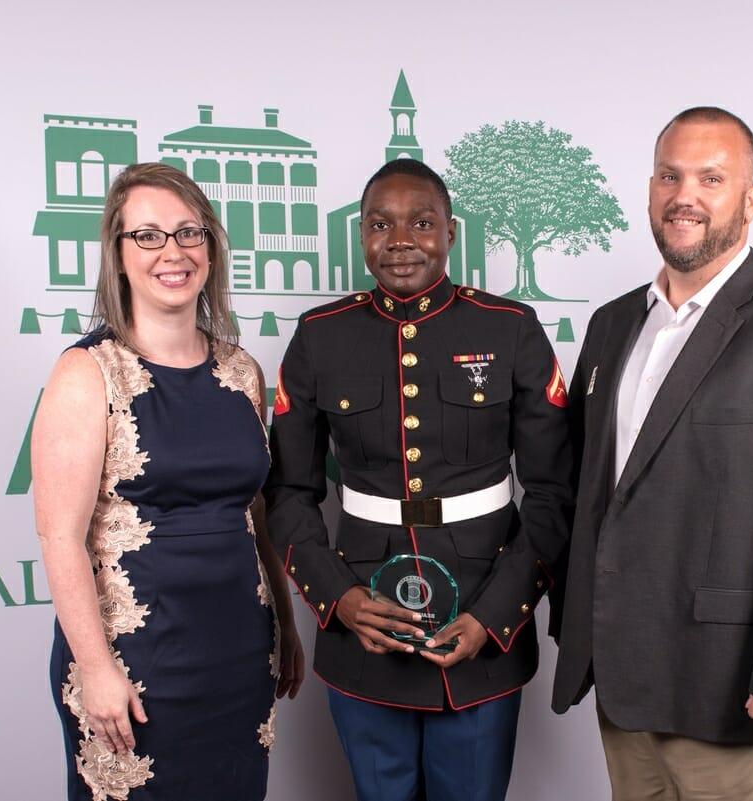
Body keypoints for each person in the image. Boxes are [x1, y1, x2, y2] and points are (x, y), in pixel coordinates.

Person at [549, 107, 753, 801]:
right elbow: (589, 493)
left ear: (750, 200)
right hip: (618, 672)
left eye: (710, 178)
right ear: (650, 190)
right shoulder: (611, 324)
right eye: (669, 176)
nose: (684, 195)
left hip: (725, 682)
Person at [264, 158, 574, 801]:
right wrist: (338, 599)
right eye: (381, 224)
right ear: (361, 235)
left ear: (451, 233)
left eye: (422, 223)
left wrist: (495, 615)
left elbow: (552, 493)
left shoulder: (509, 328)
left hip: (481, 619)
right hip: (364, 625)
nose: (400, 240)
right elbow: (289, 493)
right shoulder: (321, 336)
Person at [32, 163, 304, 801]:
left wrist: (287, 624)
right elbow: (59, 536)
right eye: (148, 236)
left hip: (239, 650)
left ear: (210, 246)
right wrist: (95, 668)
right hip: (133, 659)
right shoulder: (86, 372)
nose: (173, 252)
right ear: (118, 253)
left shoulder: (242, 370)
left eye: (189, 232)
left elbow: (255, 514)